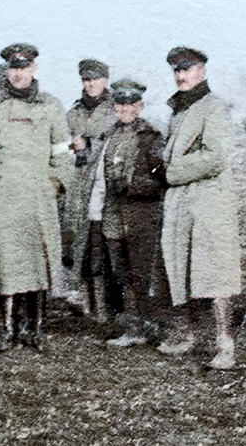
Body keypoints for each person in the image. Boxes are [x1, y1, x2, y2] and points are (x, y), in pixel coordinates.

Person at [0, 44, 72, 352]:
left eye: (24, 68)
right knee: (7, 263)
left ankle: (37, 328)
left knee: (38, 262)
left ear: (34, 69)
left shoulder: (51, 105)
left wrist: (56, 182)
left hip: (39, 196)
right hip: (3, 197)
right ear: (7, 71)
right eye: (13, 68)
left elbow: (62, 153)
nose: (19, 74)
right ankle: (8, 329)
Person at [159, 47, 241, 369]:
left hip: (211, 203)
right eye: (176, 70)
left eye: (187, 69)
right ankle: (190, 335)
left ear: (202, 71)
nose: (181, 75)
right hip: (181, 202)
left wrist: (172, 171)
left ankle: (225, 346)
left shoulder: (215, 107)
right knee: (185, 266)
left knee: (216, 273)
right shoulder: (178, 111)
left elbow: (217, 157)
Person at [90, 79, 170, 346]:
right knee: (121, 273)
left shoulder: (151, 136)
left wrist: (134, 185)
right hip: (113, 214)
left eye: (130, 104)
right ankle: (134, 325)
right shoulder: (108, 135)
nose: (124, 109)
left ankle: (147, 325)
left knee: (142, 273)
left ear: (139, 106)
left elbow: (162, 177)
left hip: (142, 215)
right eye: (119, 104)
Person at [63, 59, 115, 320]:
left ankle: (107, 306)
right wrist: (74, 148)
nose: (90, 84)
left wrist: (88, 145)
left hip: (104, 187)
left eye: (95, 79)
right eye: (86, 79)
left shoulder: (115, 109)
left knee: (102, 245)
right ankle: (83, 299)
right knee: (77, 243)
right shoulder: (73, 112)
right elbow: (64, 146)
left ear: (105, 80)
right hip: (78, 187)